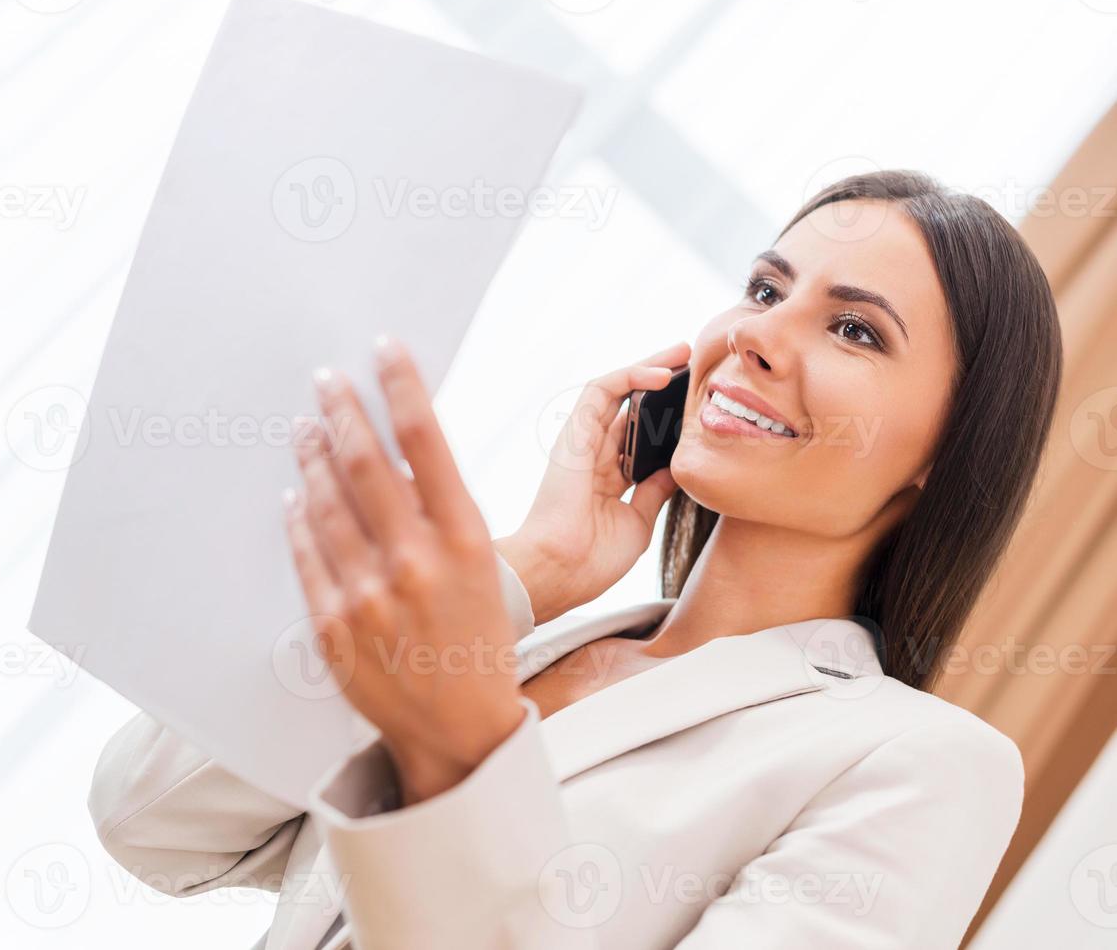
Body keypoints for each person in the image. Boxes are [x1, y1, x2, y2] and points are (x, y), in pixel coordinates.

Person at [86, 170, 1064, 948]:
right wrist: (535, 565)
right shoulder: (521, 633)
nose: (754, 334)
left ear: (947, 449)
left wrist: (458, 748)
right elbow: (150, 817)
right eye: (765, 287)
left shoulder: (922, 765)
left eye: (853, 328)